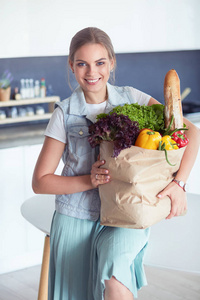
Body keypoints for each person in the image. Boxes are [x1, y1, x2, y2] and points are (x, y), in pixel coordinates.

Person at [32, 27, 200, 300]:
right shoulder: (64, 114)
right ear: (71, 66)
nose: (91, 72)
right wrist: (89, 180)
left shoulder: (133, 98)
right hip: (77, 217)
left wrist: (178, 183)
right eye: (82, 64)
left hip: (127, 215)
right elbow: (40, 181)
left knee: (116, 283)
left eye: (99, 63)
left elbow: (190, 132)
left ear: (111, 62)